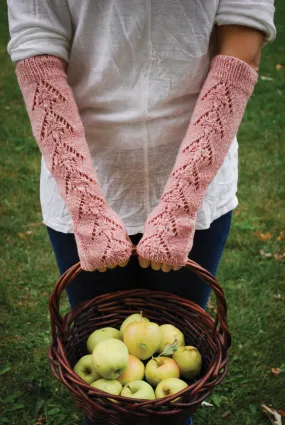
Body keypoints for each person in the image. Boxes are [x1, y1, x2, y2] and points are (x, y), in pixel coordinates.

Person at [7, 1, 276, 424]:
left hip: (198, 185)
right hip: (83, 178)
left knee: (177, 392)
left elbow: (242, 44)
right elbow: (37, 50)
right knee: (102, 397)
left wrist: (181, 201)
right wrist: (88, 208)